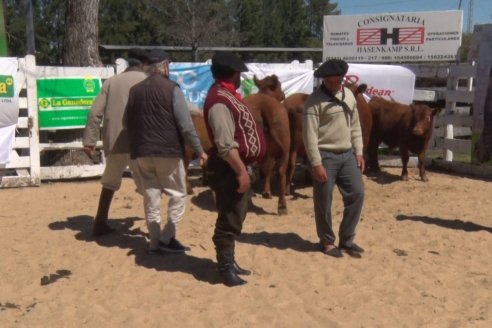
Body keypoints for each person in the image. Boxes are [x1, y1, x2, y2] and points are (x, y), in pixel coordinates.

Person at [126, 49, 207, 254]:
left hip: (141, 151)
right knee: (178, 194)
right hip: (167, 151)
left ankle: (154, 241)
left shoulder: (135, 91)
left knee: (151, 196)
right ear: (165, 66)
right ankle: (167, 237)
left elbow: (126, 123)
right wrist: (199, 150)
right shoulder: (172, 89)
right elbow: (186, 125)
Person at [203, 52, 266, 286]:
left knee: (235, 216)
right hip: (229, 168)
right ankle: (225, 267)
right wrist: (240, 171)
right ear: (233, 73)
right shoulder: (219, 100)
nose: (240, 77)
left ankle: (230, 262)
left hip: (236, 166)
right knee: (229, 217)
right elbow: (224, 143)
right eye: (239, 73)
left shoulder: (225, 95)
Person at [302, 59, 365, 258]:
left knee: (357, 193)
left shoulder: (349, 96)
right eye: (329, 81)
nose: (333, 84)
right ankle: (327, 241)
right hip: (325, 155)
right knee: (323, 199)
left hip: (347, 154)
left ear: (341, 78)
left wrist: (359, 151)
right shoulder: (314, 102)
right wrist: (316, 163)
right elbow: (309, 135)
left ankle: (347, 239)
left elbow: (355, 125)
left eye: (336, 80)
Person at [83, 48, 149, 237]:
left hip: (114, 141)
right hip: (140, 142)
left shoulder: (111, 82)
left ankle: (100, 222)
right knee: (148, 186)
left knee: (109, 183)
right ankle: (154, 230)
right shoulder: (148, 81)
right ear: (144, 64)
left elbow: (95, 113)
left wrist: (90, 140)